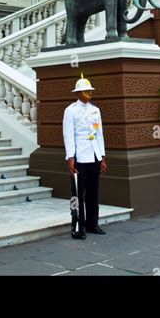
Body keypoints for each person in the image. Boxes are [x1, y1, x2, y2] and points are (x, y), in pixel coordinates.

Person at [63, 73, 107, 239]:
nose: (89, 93)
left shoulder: (95, 110)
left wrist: (102, 157)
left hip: (94, 154)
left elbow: (99, 134)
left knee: (93, 192)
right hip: (79, 156)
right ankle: (77, 226)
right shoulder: (71, 111)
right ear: (78, 93)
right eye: (86, 91)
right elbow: (68, 135)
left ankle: (92, 224)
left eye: (90, 91)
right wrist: (70, 157)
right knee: (77, 194)